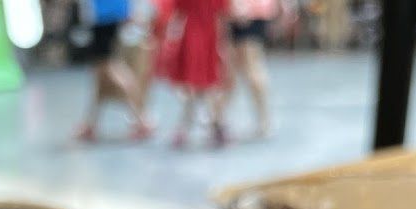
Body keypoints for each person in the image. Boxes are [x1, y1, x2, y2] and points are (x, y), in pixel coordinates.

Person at [74, 0, 154, 140]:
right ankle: (91, 124)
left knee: (109, 69)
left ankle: (141, 119)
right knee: (102, 77)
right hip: (104, 19)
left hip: (103, 19)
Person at [166, 0, 230, 147]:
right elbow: (222, 13)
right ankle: (214, 124)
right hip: (204, 33)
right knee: (203, 84)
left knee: (198, 85)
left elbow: (178, 11)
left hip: (196, 33)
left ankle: (189, 126)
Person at [223, 0, 290, 137]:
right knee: (232, 69)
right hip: (239, 15)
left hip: (248, 15)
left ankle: (263, 120)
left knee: (251, 68)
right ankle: (218, 118)